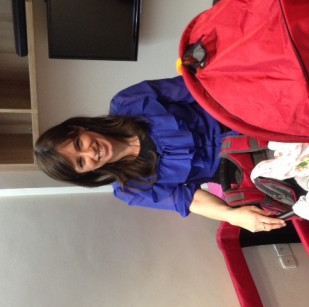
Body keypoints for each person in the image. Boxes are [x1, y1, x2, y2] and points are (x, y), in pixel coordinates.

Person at [34, 76, 286, 233]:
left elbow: (197, 90)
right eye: (81, 162)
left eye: (79, 143)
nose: (90, 152)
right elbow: (190, 199)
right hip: (246, 167)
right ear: (85, 173)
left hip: (244, 116)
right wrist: (231, 216)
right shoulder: (130, 189)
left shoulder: (127, 102)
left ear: (81, 128)